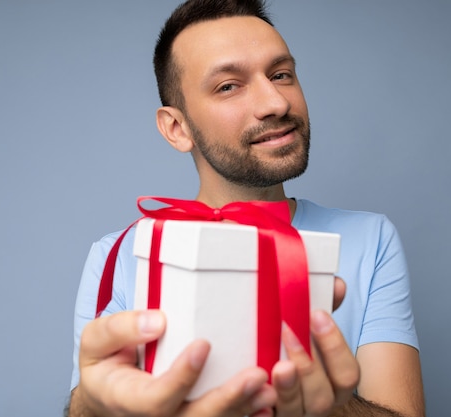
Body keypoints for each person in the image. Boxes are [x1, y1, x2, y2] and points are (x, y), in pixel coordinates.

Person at [67, 1, 425, 416]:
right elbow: (92, 401)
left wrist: (322, 409)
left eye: (281, 75)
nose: (275, 102)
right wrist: (92, 404)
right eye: (228, 86)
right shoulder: (118, 255)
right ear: (177, 128)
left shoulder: (371, 239)